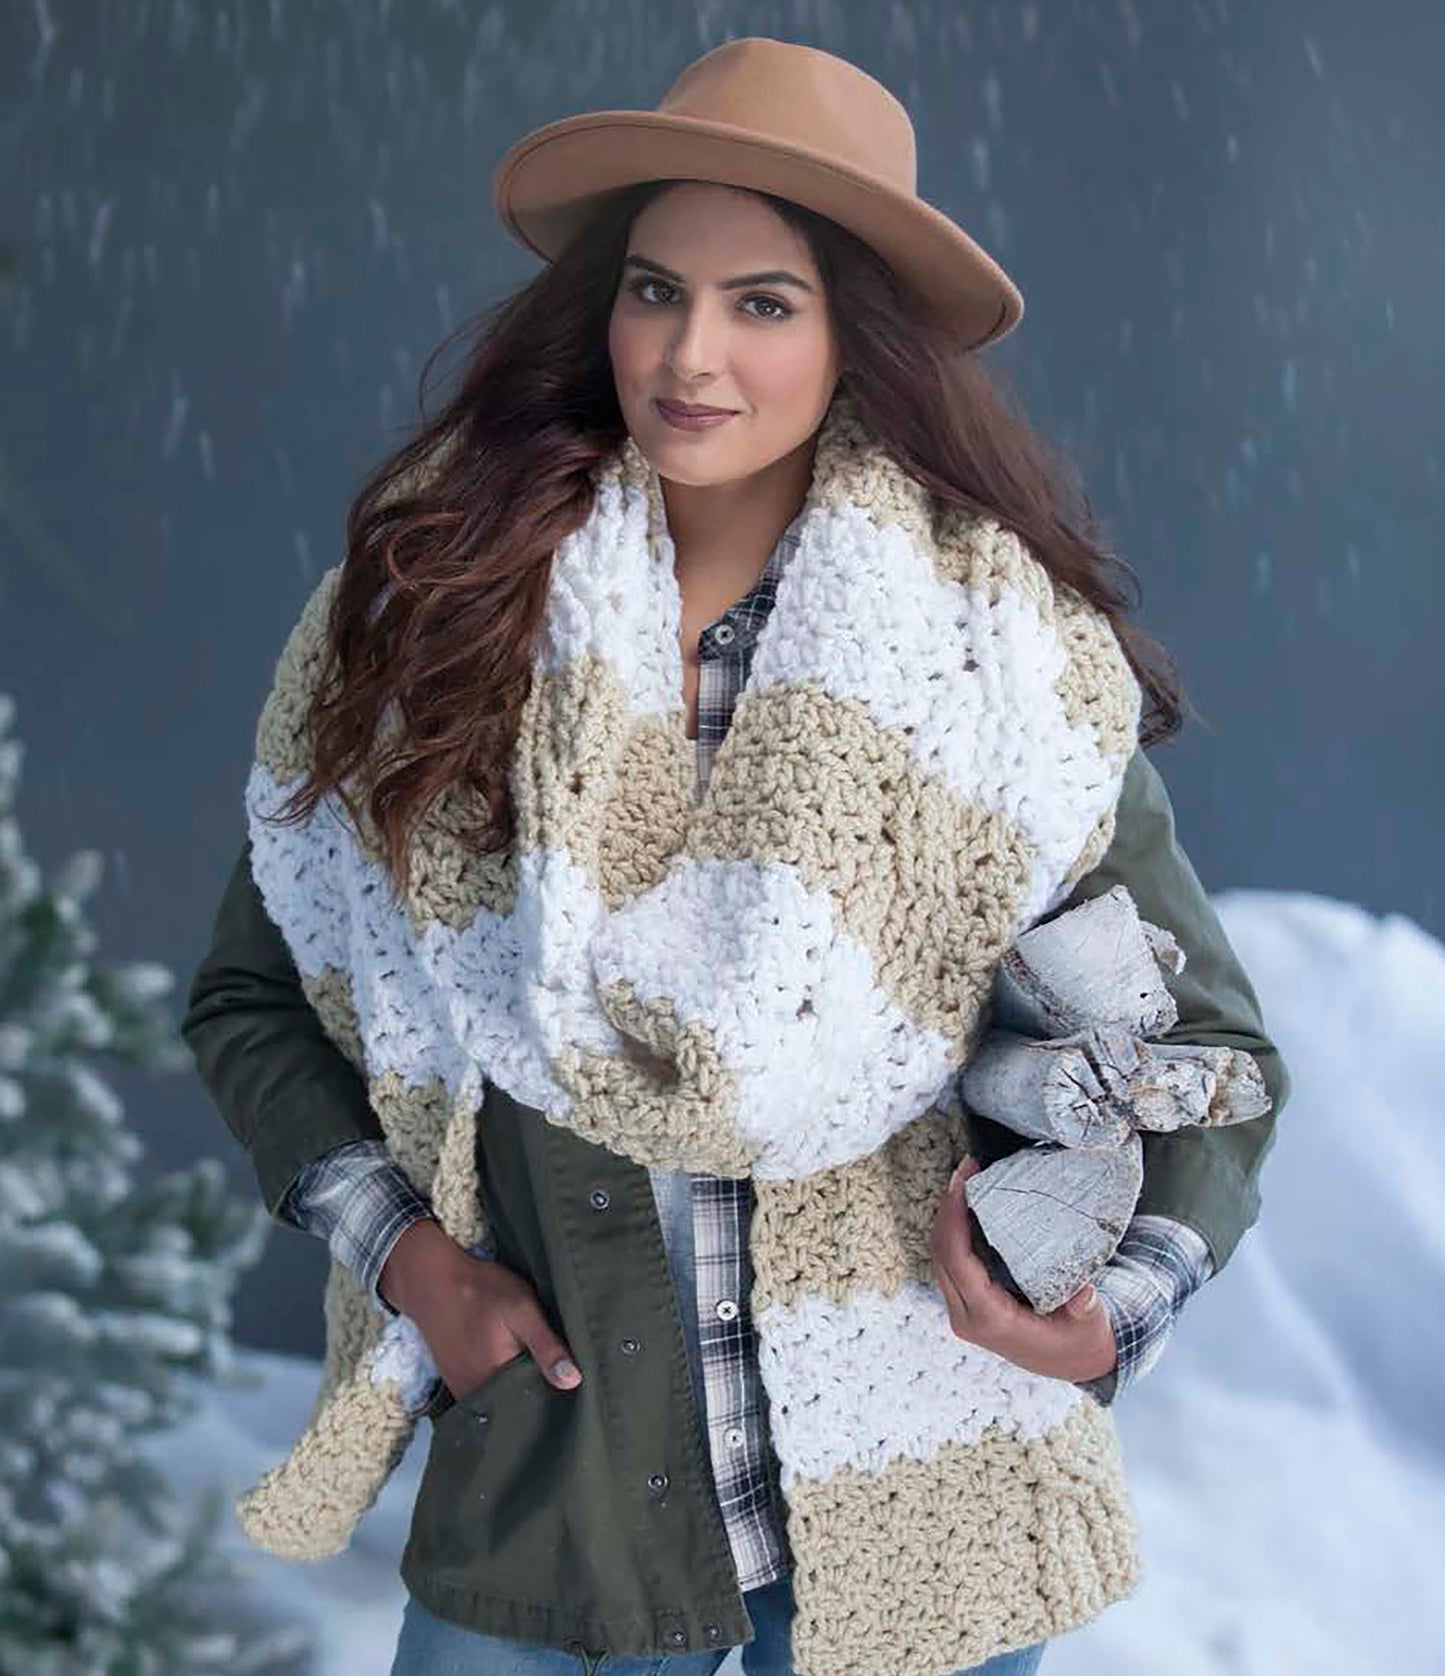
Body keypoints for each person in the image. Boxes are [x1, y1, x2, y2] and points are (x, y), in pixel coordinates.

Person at [181, 36, 1289, 1676]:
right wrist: (409, 1263)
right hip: (557, 1510)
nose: (689, 352)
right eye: (653, 291)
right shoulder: (439, 619)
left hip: (928, 1502)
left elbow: (1201, 1051)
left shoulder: (994, 668)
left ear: (859, 339)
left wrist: (1096, 1316)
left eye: (762, 301)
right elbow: (255, 996)